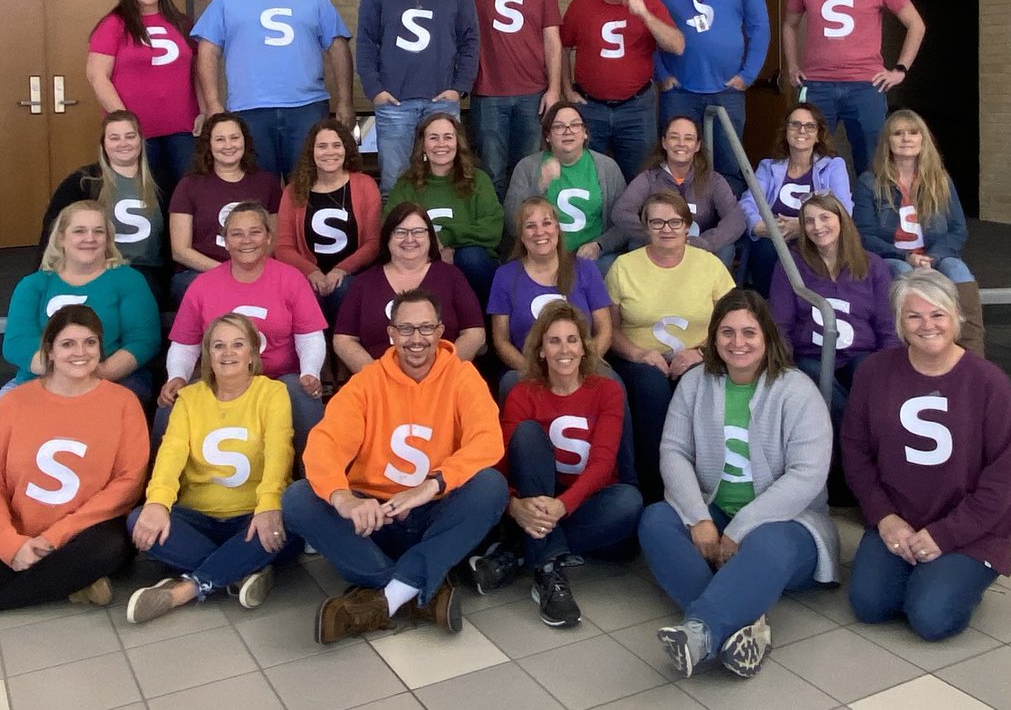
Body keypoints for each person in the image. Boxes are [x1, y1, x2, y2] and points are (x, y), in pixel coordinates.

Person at [0, 203, 159, 541]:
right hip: (35, 385)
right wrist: (58, 381)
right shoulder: (35, 284)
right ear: (61, 237)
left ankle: (78, 536)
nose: (90, 239)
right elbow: (17, 343)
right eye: (80, 231)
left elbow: (143, 340)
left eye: (99, 231)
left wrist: (89, 378)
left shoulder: (126, 280)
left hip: (110, 382)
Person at [282, 289, 507, 643]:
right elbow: (325, 444)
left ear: (440, 331)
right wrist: (345, 499)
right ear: (391, 333)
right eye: (405, 329)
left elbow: (488, 440)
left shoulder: (462, 377)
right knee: (297, 498)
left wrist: (433, 485)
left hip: (435, 510)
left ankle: (385, 599)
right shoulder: (367, 382)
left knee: (491, 486)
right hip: (375, 517)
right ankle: (418, 583)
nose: (416, 339)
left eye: (425, 328)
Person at [638, 289, 838, 678]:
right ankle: (741, 622)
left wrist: (739, 530)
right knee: (656, 519)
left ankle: (703, 629)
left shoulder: (797, 390)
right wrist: (699, 519)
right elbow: (674, 451)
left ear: (767, 337)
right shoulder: (695, 382)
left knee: (767, 542)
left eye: (749, 332)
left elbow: (807, 476)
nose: (738, 342)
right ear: (713, 338)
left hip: (786, 525)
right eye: (727, 332)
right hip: (715, 511)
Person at [0, 305, 148, 622]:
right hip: (18, 521)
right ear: (49, 350)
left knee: (110, 550)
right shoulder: (14, 403)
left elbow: (127, 484)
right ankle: (68, 585)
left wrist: (55, 537)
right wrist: (9, 544)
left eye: (90, 342)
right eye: (68, 344)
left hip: (79, 532)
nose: (81, 352)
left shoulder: (122, 402)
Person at [842, 269, 1011, 641]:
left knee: (931, 619)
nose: (927, 325)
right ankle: (927, 575)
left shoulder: (990, 384)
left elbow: (1004, 479)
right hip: (897, 520)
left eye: (937, 314)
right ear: (899, 322)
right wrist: (885, 518)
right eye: (914, 315)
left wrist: (945, 534)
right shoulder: (874, 373)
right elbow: (856, 452)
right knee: (870, 606)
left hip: (971, 530)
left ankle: (960, 581)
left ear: (956, 317)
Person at [476, 303, 642, 628]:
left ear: (583, 347)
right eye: (553, 341)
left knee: (630, 503)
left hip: (588, 501)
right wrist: (514, 504)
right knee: (524, 434)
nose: (564, 349)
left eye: (572, 340)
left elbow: (604, 462)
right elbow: (504, 461)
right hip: (540, 494)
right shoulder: (523, 393)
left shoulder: (607, 389)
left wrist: (561, 506)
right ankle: (549, 570)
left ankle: (521, 551)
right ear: (540, 351)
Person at [126, 314, 299, 623]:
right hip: (198, 519)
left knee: (291, 522)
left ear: (252, 354)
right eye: (218, 346)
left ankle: (184, 590)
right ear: (207, 354)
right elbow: (171, 452)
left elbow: (279, 450)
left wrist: (270, 504)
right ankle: (242, 569)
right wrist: (157, 502)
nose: (228, 353)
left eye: (238, 345)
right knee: (139, 520)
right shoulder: (190, 398)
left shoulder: (272, 392)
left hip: (254, 517)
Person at [159, 203, 327, 454]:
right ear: (225, 242)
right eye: (236, 233)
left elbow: (310, 335)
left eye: (255, 232)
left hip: (278, 378)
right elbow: (186, 343)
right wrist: (177, 376)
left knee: (302, 393)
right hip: (220, 378)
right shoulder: (203, 285)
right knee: (172, 401)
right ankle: (155, 484)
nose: (246, 240)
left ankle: (315, 479)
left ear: (269, 237)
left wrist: (310, 372)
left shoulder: (290, 278)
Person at [192, 0, 354, 178]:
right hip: (249, 108)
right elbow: (208, 49)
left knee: (307, 183)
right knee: (258, 186)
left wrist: (346, 100)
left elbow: (337, 45)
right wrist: (213, 104)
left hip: (306, 107)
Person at [770, 193, 900, 502]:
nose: (817, 227)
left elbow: (886, 324)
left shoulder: (873, 266)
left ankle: (859, 471)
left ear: (841, 220)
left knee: (866, 374)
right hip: (811, 356)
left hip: (860, 354)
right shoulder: (791, 265)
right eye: (810, 221)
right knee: (815, 375)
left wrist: (890, 368)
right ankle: (859, 471)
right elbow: (781, 326)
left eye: (825, 218)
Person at [606, 192, 735, 501]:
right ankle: (654, 489)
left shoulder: (710, 264)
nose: (667, 229)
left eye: (675, 222)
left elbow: (733, 322)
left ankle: (707, 486)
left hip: (699, 355)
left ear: (687, 226)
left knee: (700, 380)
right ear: (645, 226)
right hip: (638, 360)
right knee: (651, 386)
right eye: (657, 222)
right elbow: (608, 329)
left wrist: (700, 353)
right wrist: (639, 354)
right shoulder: (623, 267)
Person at [782, 0, 926, 176]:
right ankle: (814, 216)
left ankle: (870, 217)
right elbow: (789, 24)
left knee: (872, 161)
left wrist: (900, 69)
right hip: (817, 85)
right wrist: (792, 67)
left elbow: (916, 24)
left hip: (866, 86)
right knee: (809, 158)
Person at [356, 0, 480, 194]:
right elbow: (365, 41)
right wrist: (374, 88)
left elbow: (470, 39)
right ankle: (396, 238)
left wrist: (460, 87)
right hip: (395, 102)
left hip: (442, 101)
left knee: (448, 180)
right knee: (395, 183)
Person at [645, 0, 770, 196]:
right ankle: (678, 225)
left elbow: (760, 27)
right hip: (679, 92)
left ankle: (727, 230)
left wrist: (748, 75)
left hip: (728, 90)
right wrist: (662, 76)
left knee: (729, 165)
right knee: (676, 162)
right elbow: (646, 34)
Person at [853, 108, 984, 354]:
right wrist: (906, 257)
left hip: (933, 255)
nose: (906, 139)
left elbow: (958, 230)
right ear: (887, 142)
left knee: (956, 268)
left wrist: (932, 257)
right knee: (903, 272)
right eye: (898, 133)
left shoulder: (940, 180)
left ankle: (972, 354)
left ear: (923, 140)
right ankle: (908, 351)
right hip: (891, 258)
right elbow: (864, 235)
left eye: (913, 133)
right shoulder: (869, 182)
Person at [561, 0, 684, 182]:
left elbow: (677, 45)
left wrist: (646, 16)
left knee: (642, 176)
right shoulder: (581, 5)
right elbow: (563, 48)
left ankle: (635, 219)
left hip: (636, 107)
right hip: (591, 106)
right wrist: (567, 89)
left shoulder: (651, 4)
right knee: (588, 174)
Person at [466, 0, 563, 199]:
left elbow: (552, 41)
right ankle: (495, 240)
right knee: (491, 173)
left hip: (533, 94)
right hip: (488, 93)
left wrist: (554, 89)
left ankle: (529, 241)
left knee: (531, 173)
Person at [86, 0, 202, 193]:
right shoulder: (114, 24)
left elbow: (197, 72)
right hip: (137, 134)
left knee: (186, 196)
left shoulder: (182, 23)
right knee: (146, 199)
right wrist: (124, 121)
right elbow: (97, 75)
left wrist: (205, 108)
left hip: (183, 131)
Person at [37, 110, 168, 307]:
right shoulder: (83, 181)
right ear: (103, 144)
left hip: (146, 269)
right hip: (96, 265)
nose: (123, 143)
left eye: (130, 136)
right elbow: (54, 227)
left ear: (141, 140)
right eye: (114, 138)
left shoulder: (163, 181)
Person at [333, 203, 485, 372]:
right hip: (380, 386)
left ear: (430, 237)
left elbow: (474, 333)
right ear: (387, 237)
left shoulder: (452, 277)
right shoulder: (364, 282)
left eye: (418, 232)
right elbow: (343, 339)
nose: (409, 239)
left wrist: (443, 372)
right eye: (400, 232)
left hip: (443, 381)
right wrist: (376, 376)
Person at [489, 197, 612, 391]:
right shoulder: (505, 276)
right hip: (528, 370)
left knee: (614, 385)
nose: (540, 232)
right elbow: (501, 341)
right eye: (530, 226)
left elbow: (604, 329)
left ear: (557, 229)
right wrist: (532, 371)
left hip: (581, 366)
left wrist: (580, 367)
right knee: (509, 384)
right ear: (520, 235)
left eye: (547, 223)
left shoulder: (585, 269)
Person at [385, 113, 502, 306]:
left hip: (469, 267)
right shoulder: (406, 183)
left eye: (448, 137)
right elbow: (389, 226)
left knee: (472, 258)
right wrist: (431, 246)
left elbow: (492, 228)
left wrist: (447, 239)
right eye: (433, 138)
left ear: (458, 142)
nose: (441, 144)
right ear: (423, 145)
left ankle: (483, 326)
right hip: (417, 257)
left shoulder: (478, 180)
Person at [738, 103, 852, 298]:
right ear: (786, 131)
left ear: (818, 135)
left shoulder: (833, 166)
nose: (802, 130)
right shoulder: (768, 167)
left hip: (815, 235)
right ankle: (768, 306)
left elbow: (844, 209)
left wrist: (802, 228)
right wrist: (761, 227)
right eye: (795, 124)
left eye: (810, 126)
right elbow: (748, 202)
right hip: (774, 238)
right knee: (767, 245)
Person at [275, 118, 381, 326]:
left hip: (352, 274)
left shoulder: (365, 185)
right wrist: (312, 272)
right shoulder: (293, 191)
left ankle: (343, 350)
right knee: (308, 294)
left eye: (336, 145)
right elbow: (283, 248)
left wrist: (342, 270)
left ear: (346, 149)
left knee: (344, 289)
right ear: (311, 152)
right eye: (322, 146)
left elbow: (373, 243)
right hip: (310, 275)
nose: (329, 152)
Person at [168, 112, 282, 303]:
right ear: (209, 145)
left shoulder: (267, 183)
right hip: (201, 271)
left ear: (245, 141)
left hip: (255, 268)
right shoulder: (189, 185)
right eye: (220, 139)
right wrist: (226, 272)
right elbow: (180, 250)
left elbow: (274, 240)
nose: (228, 145)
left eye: (235, 138)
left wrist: (248, 269)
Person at [611, 114, 745, 269]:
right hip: (659, 247)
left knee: (726, 249)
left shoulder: (713, 180)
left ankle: (708, 293)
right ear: (664, 143)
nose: (681, 144)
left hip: (698, 247)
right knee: (636, 244)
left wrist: (707, 242)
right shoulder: (648, 178)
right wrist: (657, 234)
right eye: (674, 137)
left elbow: (736, 218)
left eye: (688, 138)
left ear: (697, 145)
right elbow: (621, 212)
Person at [505, 102, 627, 268]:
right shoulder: (528, 167)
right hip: (542, 255)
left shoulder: (607, 168)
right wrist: (539, 187)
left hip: (592, 257)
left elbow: (623, 224)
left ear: (585, 133)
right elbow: (512, 225)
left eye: (575, 125)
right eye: (558, 126)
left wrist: (599, 245)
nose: (568, 131)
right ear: (548, 135)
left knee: (608, 266)